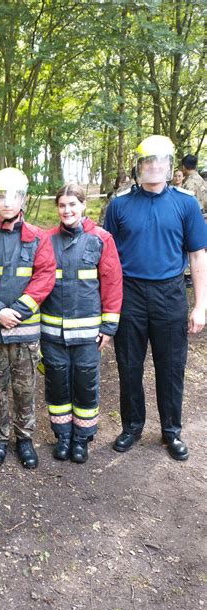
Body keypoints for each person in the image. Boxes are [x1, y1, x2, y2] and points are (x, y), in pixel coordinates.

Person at [104, 135, 207, 461]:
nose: (153, 166)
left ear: (169, 165)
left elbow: (198, 256)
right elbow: (107, 259)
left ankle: (171, 431)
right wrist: (106, 306)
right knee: (129, 365)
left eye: (160, 161)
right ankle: (132, 427)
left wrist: (201, 305)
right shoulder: (119, 204)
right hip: (130, 294)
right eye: (147, 161)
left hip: (170, 294)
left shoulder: (186, 203)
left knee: (172, 366)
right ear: (139, 166)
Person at [0, 167, 56, 469]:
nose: (6, 202)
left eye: (13, 196)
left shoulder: (39, 239)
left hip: (25, 332)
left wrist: (17, 311)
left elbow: (44, 277)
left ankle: (25, 439)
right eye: (1, 195)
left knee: (25, 390)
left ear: (23, 199)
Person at [41, 184, 122, 463]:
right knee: (57, 384)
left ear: (83, 205)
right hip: (52, 332)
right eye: (62, 205)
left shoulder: (101, 239)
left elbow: (112, 284)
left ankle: (82, 439)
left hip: (88, 334)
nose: (67, 210)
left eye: (73, 204)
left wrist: (109, 327)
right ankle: (62, 436)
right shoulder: (46, 240)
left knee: (85, 384)